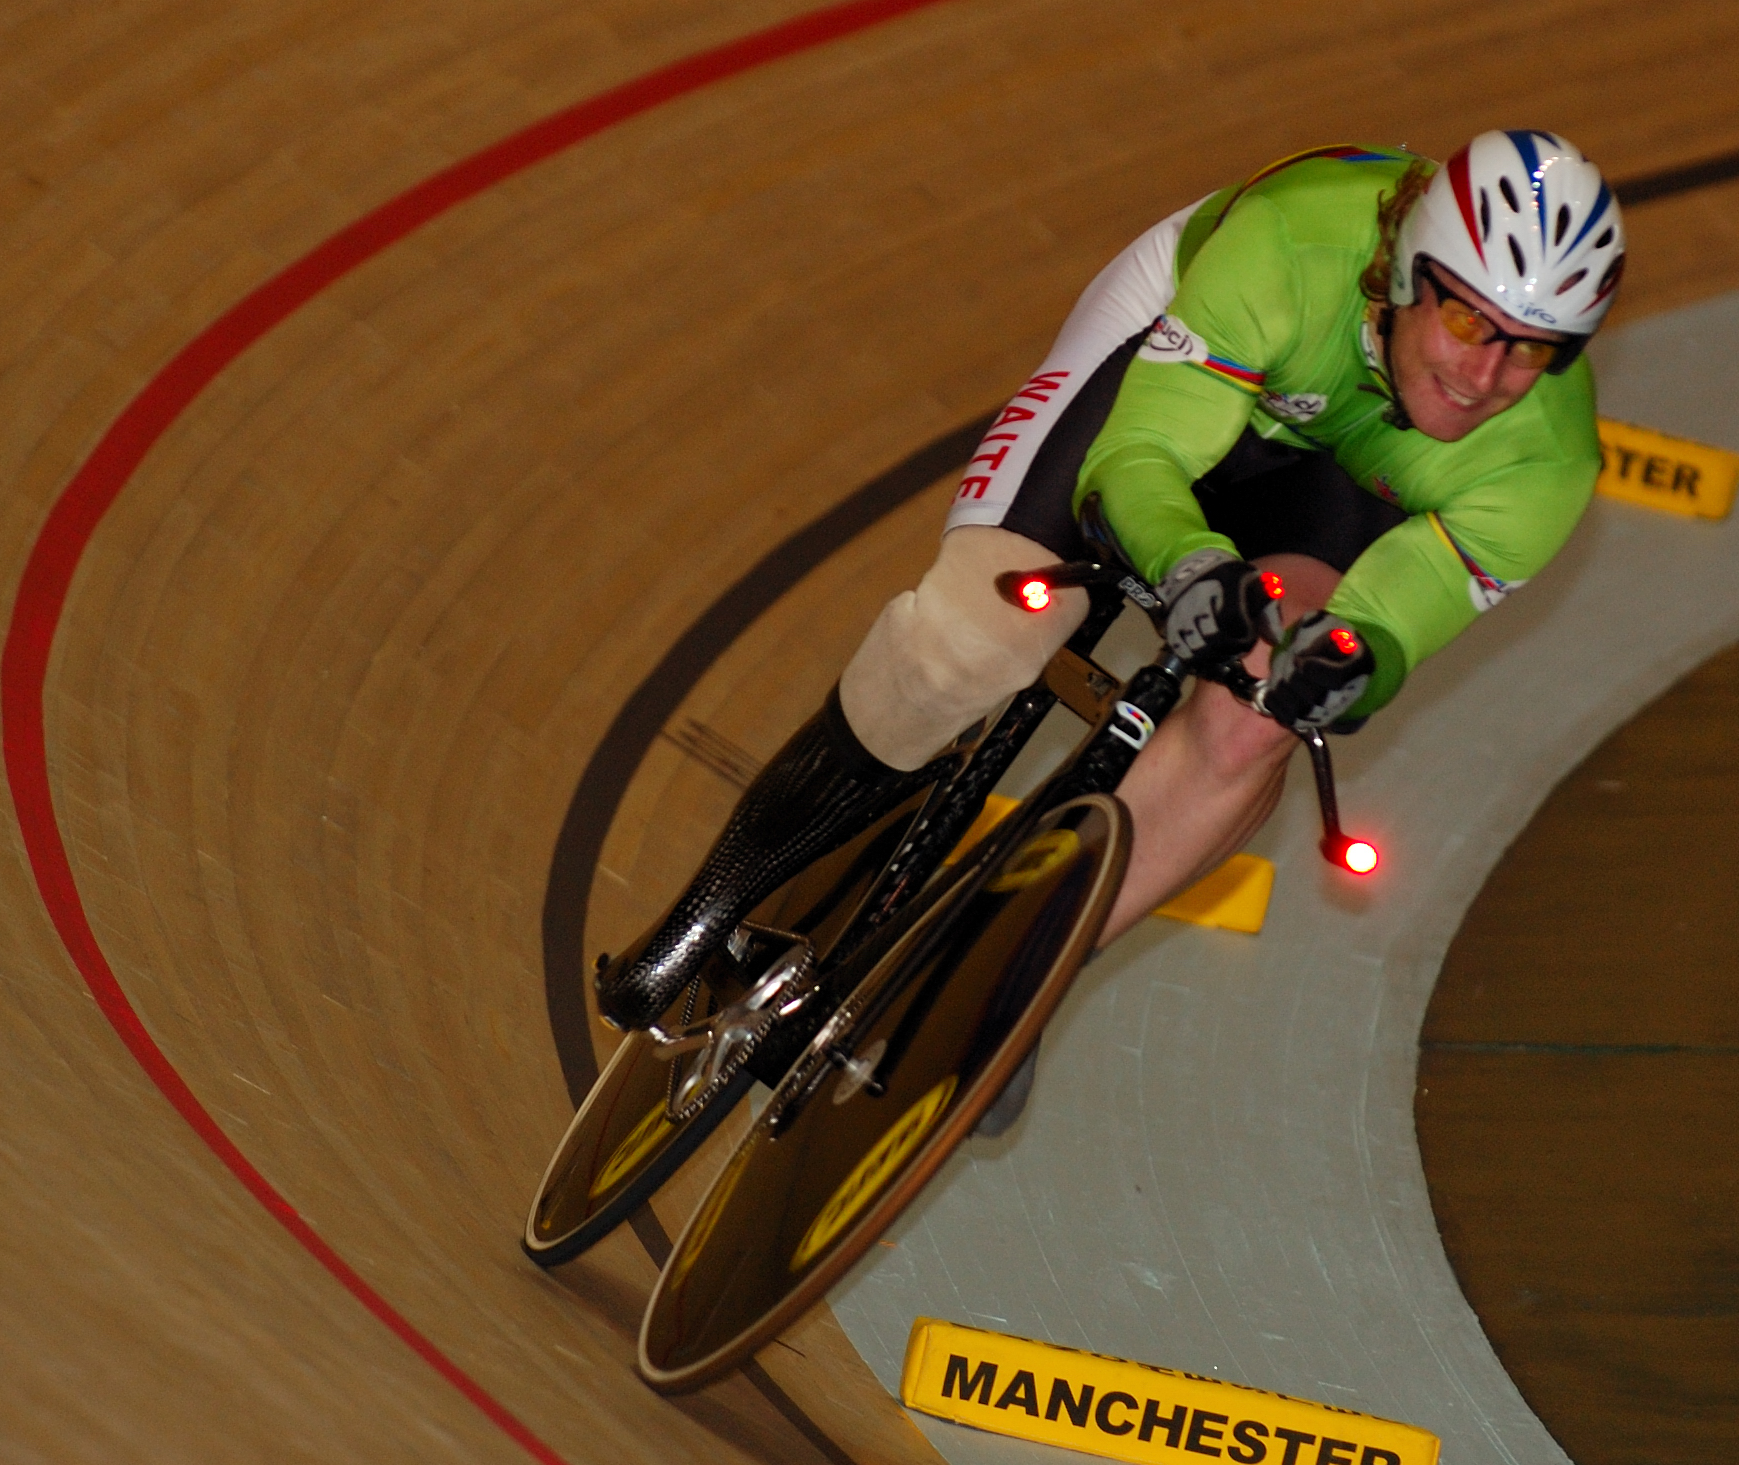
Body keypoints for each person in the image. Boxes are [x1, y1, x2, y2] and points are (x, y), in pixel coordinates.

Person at [598, 131, 1625, 1033]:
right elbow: (1134, 463)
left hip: (1338, 491)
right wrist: (1191, 567)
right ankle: (719, 897)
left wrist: (1354, 662)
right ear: (1407, 274)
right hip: (1188, 372)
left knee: (1258, 715)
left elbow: (1397, 614)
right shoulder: (1290, 244)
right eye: (1467, 324)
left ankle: (1005, 987)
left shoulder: (1545, 461)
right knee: (972, 636)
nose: (1485, 375)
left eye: (1531, 349)